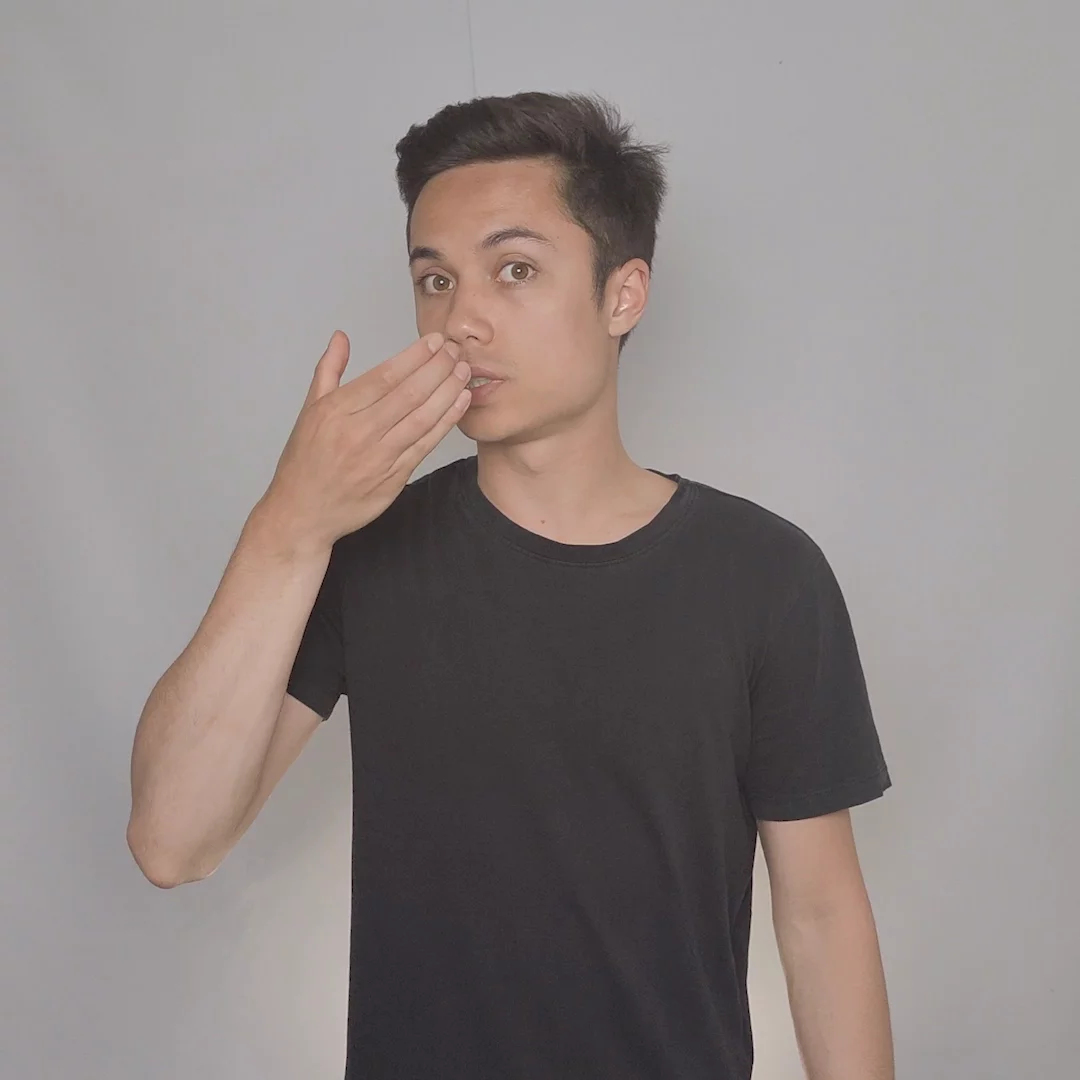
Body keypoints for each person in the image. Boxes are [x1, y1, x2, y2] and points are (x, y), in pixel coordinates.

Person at [127, 91, 894, 1079]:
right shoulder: (361, 551)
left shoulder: (766, 576)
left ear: (623, 295)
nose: (461, 320)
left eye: (515, 270)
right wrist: (289, 520)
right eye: (434, 280)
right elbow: (172, 842)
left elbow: (821, 914)